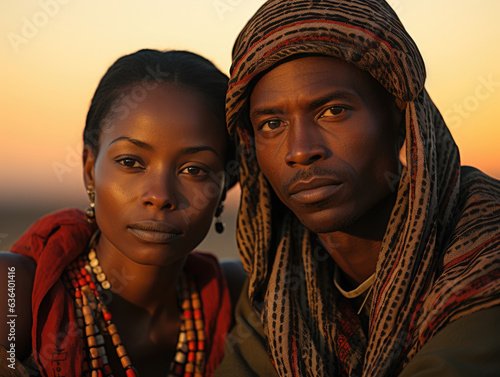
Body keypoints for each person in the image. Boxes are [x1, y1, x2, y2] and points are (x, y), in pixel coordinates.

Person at [214, 0, 500, 376]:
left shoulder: (483, 253)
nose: (300, 151)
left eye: (333, 111)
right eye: (272, 124)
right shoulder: (280, 278)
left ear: (400, 115)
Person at [0, 49, 241, 377]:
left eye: (194, 169)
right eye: (130, 162)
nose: (160, 196)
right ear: (89, 170)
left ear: (225, 185)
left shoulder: (236, 298)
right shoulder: (13, 293)